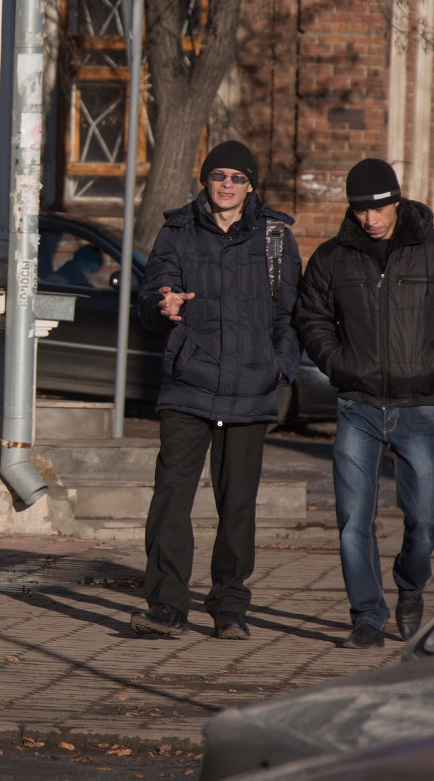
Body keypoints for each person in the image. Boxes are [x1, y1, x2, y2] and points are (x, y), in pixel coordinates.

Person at [295, 159, 434, 649]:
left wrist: (433, 365)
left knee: (425, 516)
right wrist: (339, 366)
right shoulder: (333, 258)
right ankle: (366, 617)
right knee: (351, 520)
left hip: (417, 406)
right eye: (361, 209)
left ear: (397, 201)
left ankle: (410, 587)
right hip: (356, 406)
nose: (371, 218)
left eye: (380, 206)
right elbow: (311, 317)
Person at [128, 140, 301, 640]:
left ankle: (228, 605)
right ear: (205, 180)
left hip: (250, 390)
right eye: (218, 175)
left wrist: (279, 368)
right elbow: (150, 297)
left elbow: (289, 316)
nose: (227, 185)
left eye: (237, 178)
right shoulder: (178, 232)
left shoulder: (274, 239)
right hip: (189, 386)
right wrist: (164, 305)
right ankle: (166, 605)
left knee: (238, 506)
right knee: (171, 500)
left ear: (251, 186)